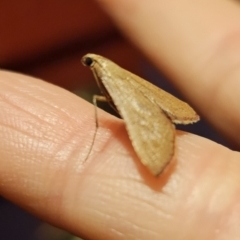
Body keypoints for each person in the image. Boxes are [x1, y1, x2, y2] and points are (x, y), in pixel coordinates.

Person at [1, 1, 240, 239]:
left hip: (140, 114)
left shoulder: (105, 71)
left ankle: (155, 136)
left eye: (87, 63)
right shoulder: (109, 68)